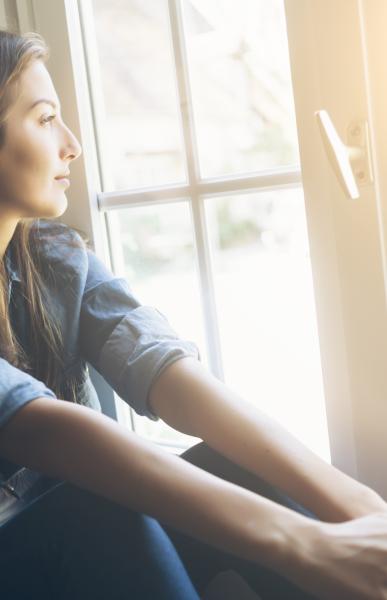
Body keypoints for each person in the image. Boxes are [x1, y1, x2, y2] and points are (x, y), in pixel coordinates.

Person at [0, 27, 387, 600]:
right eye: (45, 117)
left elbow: (171, 374)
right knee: (96, 509)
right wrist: (300, 544)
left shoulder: (54, 261)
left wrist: (357, 506)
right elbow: (48, 431)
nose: (72, 143)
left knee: (243, 469)